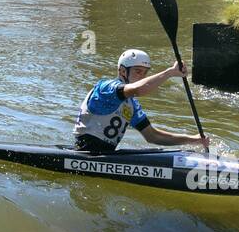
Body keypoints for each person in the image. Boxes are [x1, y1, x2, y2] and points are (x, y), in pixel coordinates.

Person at [73, 48, 208, 154]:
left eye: (145, 72)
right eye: (138, 71)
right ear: (122, 71)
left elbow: (153, 136)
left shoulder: (131, 105)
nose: (142, 76)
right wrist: (170, 72)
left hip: (108, 154)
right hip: (85, 151)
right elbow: (140, 89)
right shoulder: (106, 88)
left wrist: (194, 140)